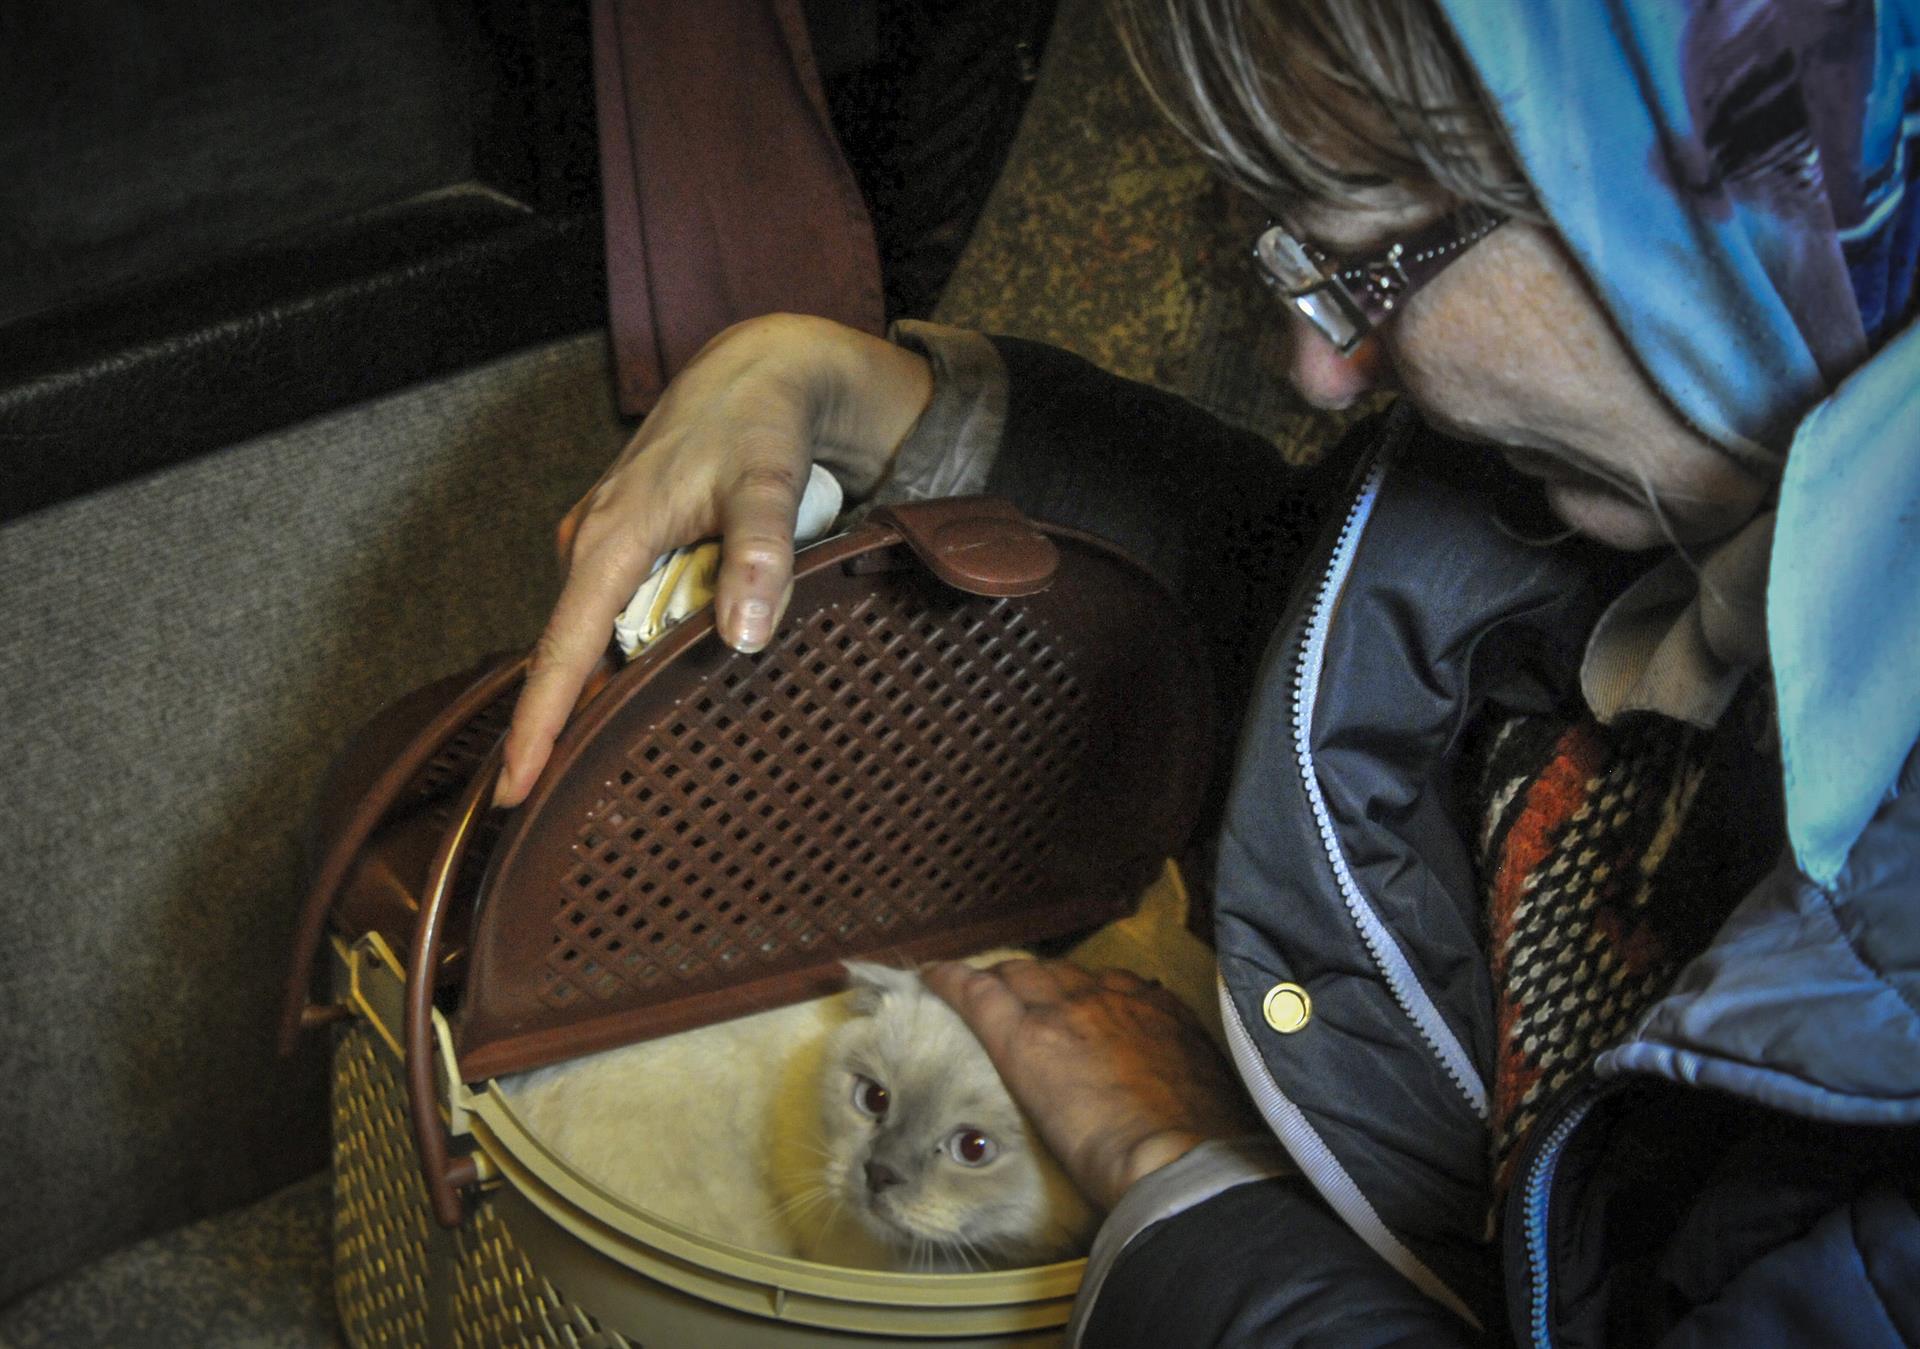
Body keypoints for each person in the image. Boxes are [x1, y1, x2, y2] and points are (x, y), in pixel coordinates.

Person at [497, 0, 1920, 1343]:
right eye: (1290, 256)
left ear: (1729, 164)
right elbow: (1331, 642)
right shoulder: (1618, 496)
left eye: (1368, 256)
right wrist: (869, 400)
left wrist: (1175, 1172)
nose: (1317, 367)